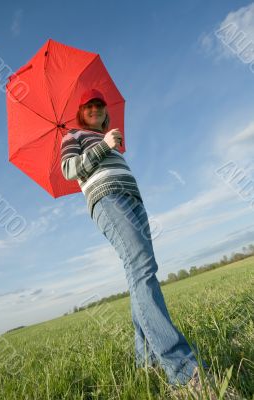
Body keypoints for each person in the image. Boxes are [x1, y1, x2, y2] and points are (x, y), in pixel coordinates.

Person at [60, 88, 218, 398]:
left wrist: (110, 147)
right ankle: (183, 370)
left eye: (100, 105)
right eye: (89, 105)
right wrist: (104, 146)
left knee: (139, 273)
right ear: (81, 112)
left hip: (132, 201)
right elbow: (69, 170)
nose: (95, 109)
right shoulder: (73, 136)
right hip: (107, 200)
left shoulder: (109, 141)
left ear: (107, 112)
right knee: (143, 269)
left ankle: (146, 362)